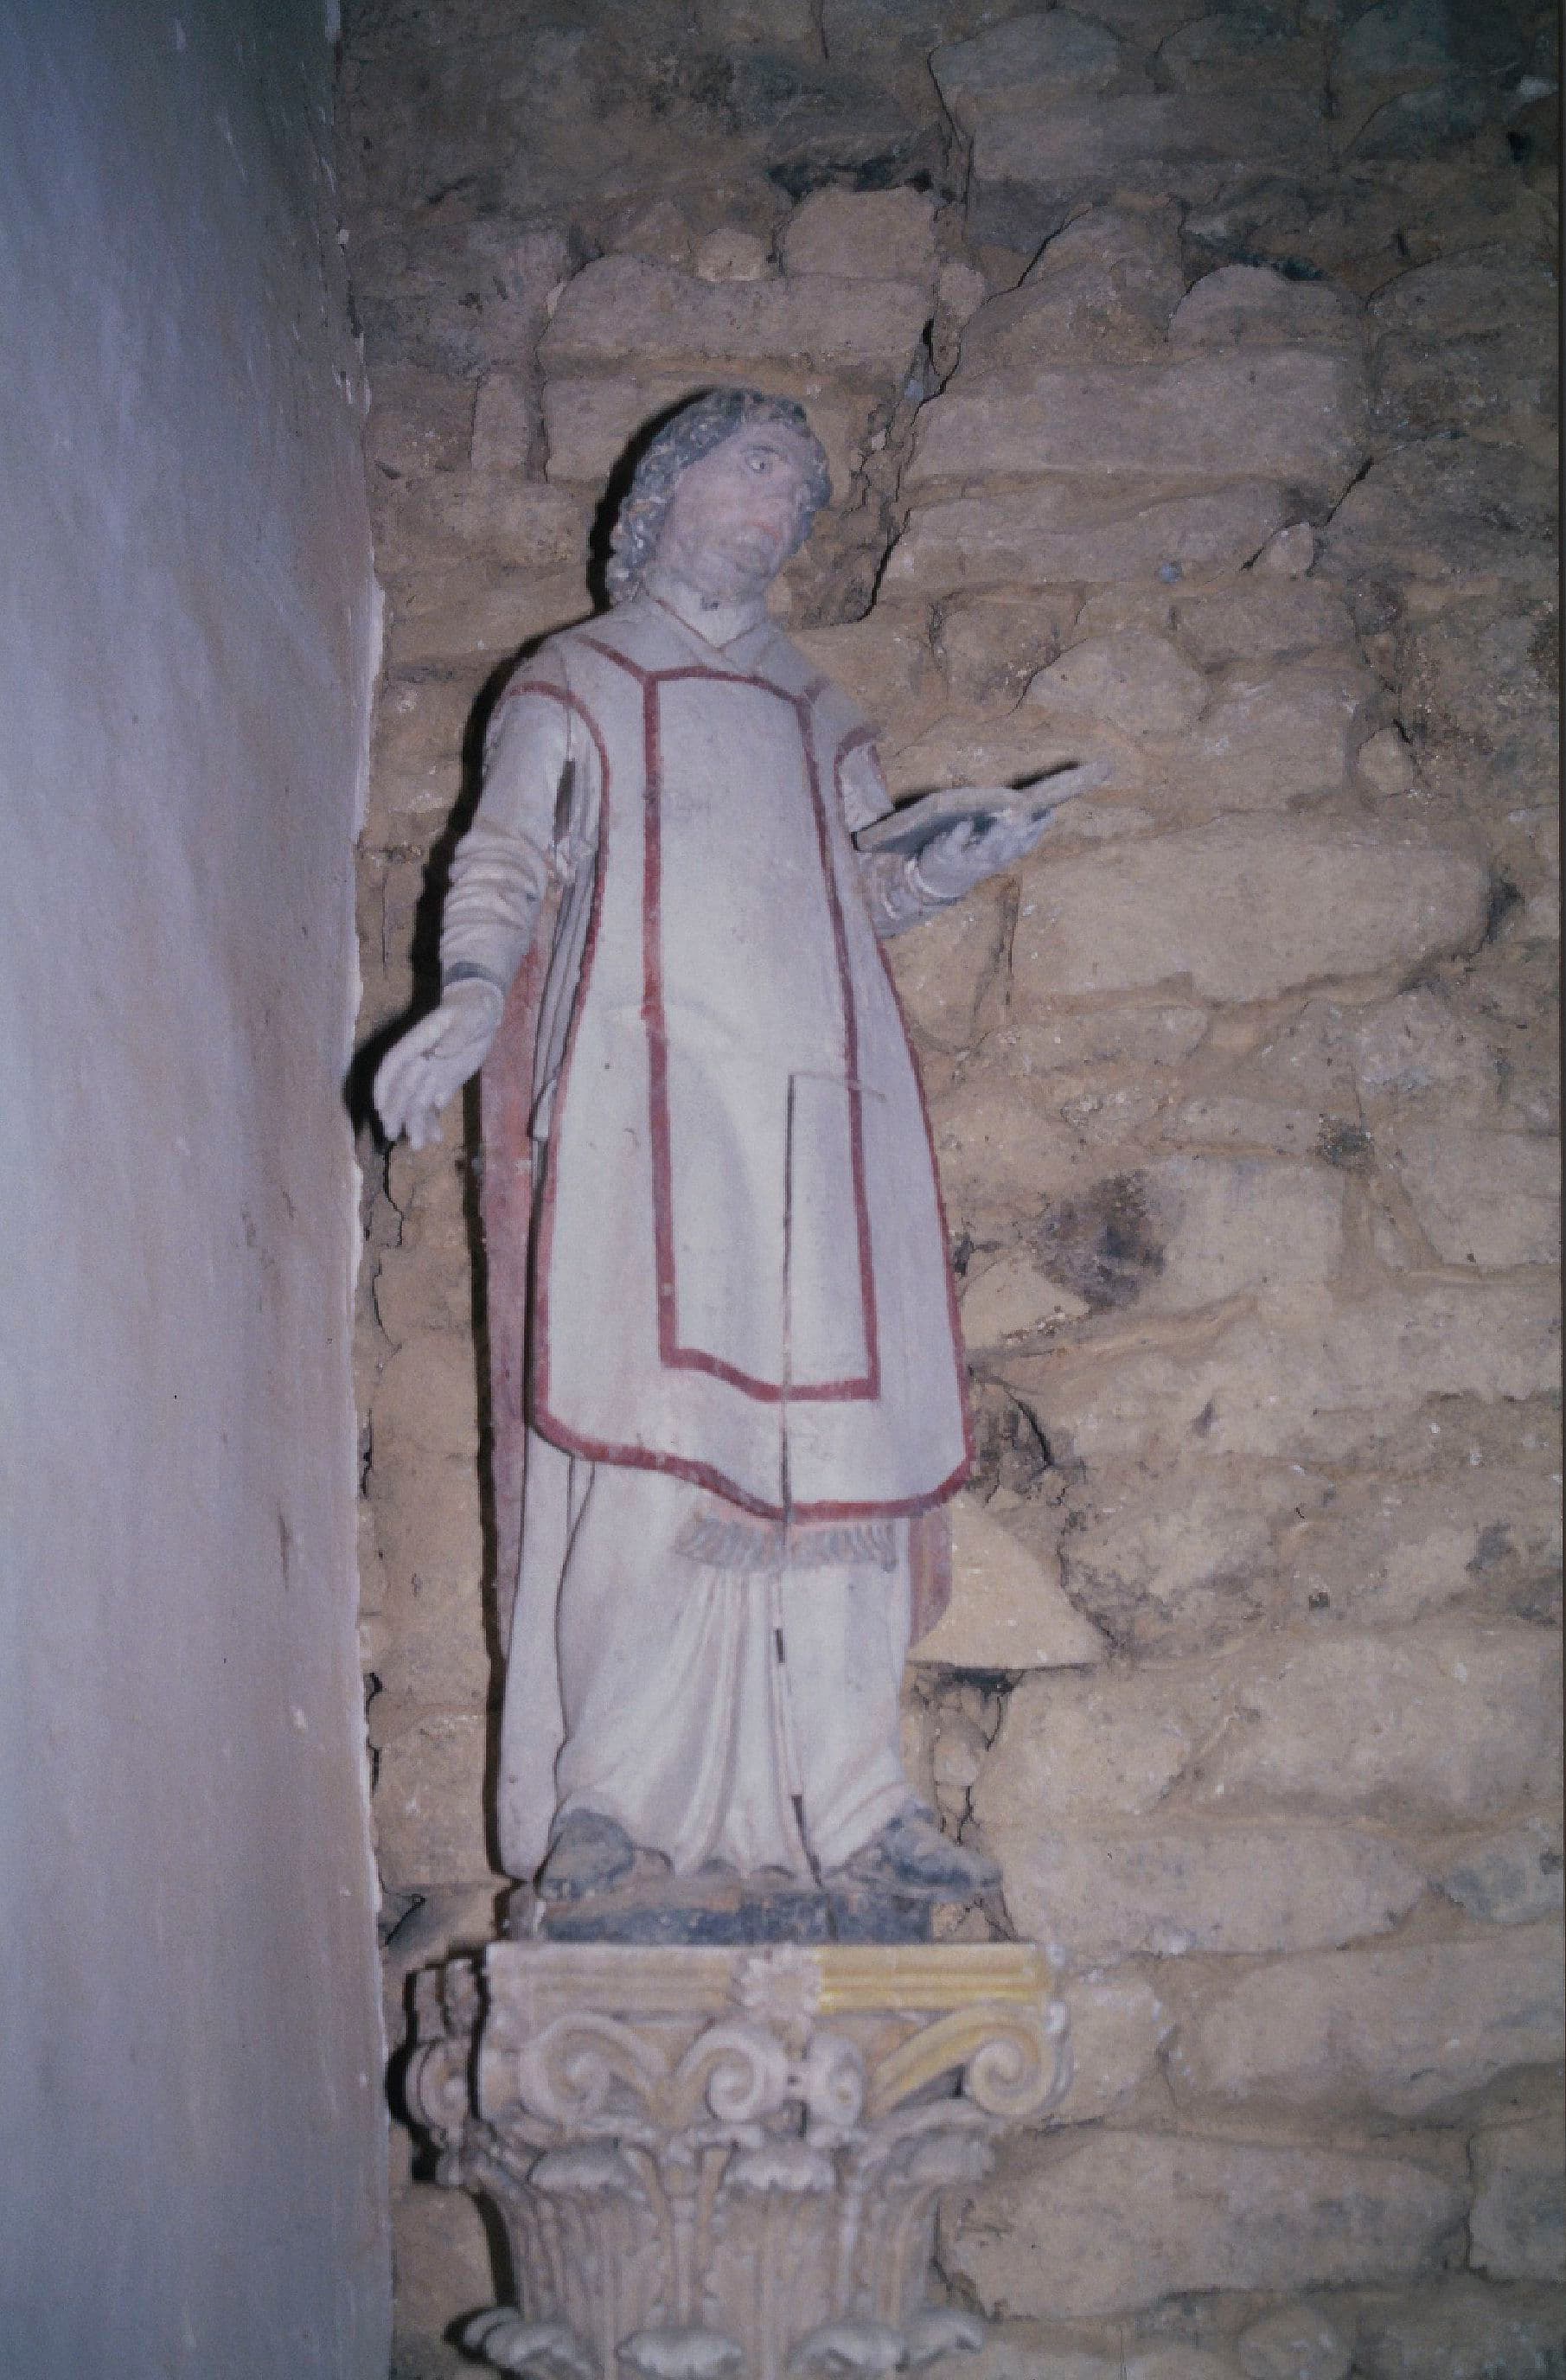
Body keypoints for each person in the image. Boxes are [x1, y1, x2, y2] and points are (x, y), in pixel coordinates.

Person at [374, 389, 1064, 1906]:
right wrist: (472, 993)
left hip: (828, 1107)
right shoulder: (579, 676)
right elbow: (507, 852)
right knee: (652, 1431)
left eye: (802, 490)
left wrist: (951, 865)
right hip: (652, 1090)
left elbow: (864, 891)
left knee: (845, 1447)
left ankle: (857, 1798)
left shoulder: (822, 711)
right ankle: (609, 1797)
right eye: (756, 468)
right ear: (665, 489)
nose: (781, 503)